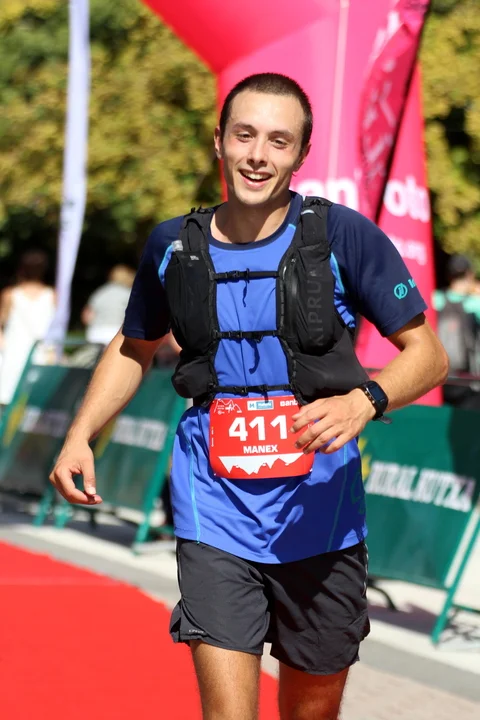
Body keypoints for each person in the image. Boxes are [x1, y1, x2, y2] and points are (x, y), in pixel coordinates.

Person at [50, 73, 448, 720]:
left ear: (300, 155)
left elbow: (429, 356)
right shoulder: (172, 245)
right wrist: (79, 435)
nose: (258, 155)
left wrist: (362, 401)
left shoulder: (343, 236)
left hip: (322, 513)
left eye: (278, 141)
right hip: (214, 508)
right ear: (220, 141)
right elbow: (133, 345)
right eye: (244, 135)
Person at [0, 250, 55, 408]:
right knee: (34, 403)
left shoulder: (10, 294)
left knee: (6, 402)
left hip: (13, 352)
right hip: (42, 352)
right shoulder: (52, 295)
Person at [433, 254, 480, 408]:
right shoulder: (475, 304)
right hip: (467, 382)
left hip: (438, 378)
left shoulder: (435, 299)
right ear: (469, 275)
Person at [81, 264, 135, 346]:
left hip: (95, 334)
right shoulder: (128, 293)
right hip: (116, 334)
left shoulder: (100, 292)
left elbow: (86, 317)